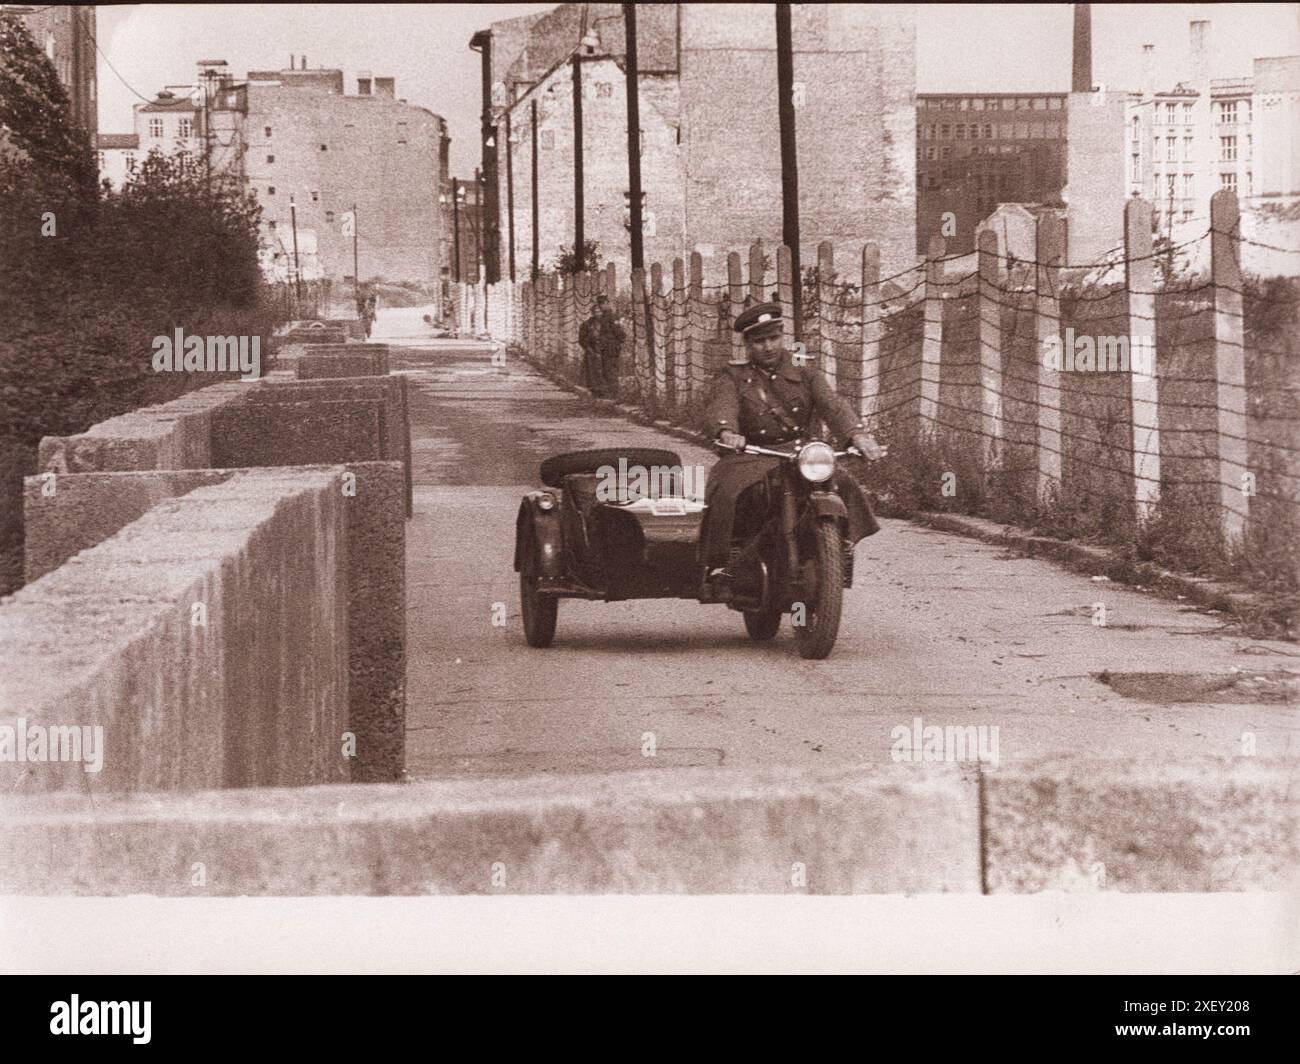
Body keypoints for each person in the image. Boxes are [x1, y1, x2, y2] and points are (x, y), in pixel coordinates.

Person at [698, 300, 886, 572]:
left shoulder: (803, 370)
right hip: (753, 453)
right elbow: (722, 405)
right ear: (748, 345)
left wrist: (857, 435)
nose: (769, 346)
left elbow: (832, 405)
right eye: (760, 341)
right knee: (728, 491)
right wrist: (727, 431)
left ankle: (842, 540)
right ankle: (729, 552)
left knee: (841, 481)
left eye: (774, 338)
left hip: (801, 452)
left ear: (782, 336)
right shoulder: (734, 375)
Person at [578, 294, 626, 399]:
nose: (598, 313)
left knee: (610, 371)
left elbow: (619, 333)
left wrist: (617, 341)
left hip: (609, 349)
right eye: (596, 311)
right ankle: (606, 393)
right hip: (600, 349)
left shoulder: (610, 317)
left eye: (600, 309)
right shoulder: (591, 322)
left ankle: (614, 394)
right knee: (603, 371)